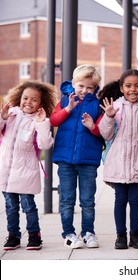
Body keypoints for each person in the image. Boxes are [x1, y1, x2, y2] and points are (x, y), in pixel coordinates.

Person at [97, 69, 138, 250]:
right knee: (120, 200)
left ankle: (135, 235)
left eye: (137, 86)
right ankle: (121, 236)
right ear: (122, 88)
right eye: (128, 86)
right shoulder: (114, 107)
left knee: (136, 201)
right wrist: (108, 116)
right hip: (118, 162)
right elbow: (106, 134)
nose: (133, 89)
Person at [50, 64, 103, 249]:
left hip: (88, 160)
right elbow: (54, 120)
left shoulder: (97, 105)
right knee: (66, 199)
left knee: (88, 200)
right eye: (81, 86)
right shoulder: (65, 101)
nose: (84, 90)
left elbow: (103, 132)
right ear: (73, 84)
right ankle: (69, 233)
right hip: (65, 160)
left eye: (89, 87)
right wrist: (68, 109)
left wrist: (92, 127)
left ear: (95, 88)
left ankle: (88, 232)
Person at [0, 80, 57, 250]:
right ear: (19, 97)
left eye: (34, 100)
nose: (28, 102)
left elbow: (45, 144)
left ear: (41, 103)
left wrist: (41, 123)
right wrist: (2, 118)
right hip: (6, 169)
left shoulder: (39, 120)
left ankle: (34, 235)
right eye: (25, 98)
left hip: (26, 170)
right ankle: (13, 236)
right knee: (10, 207)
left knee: (28, 206)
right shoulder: (11, 114)